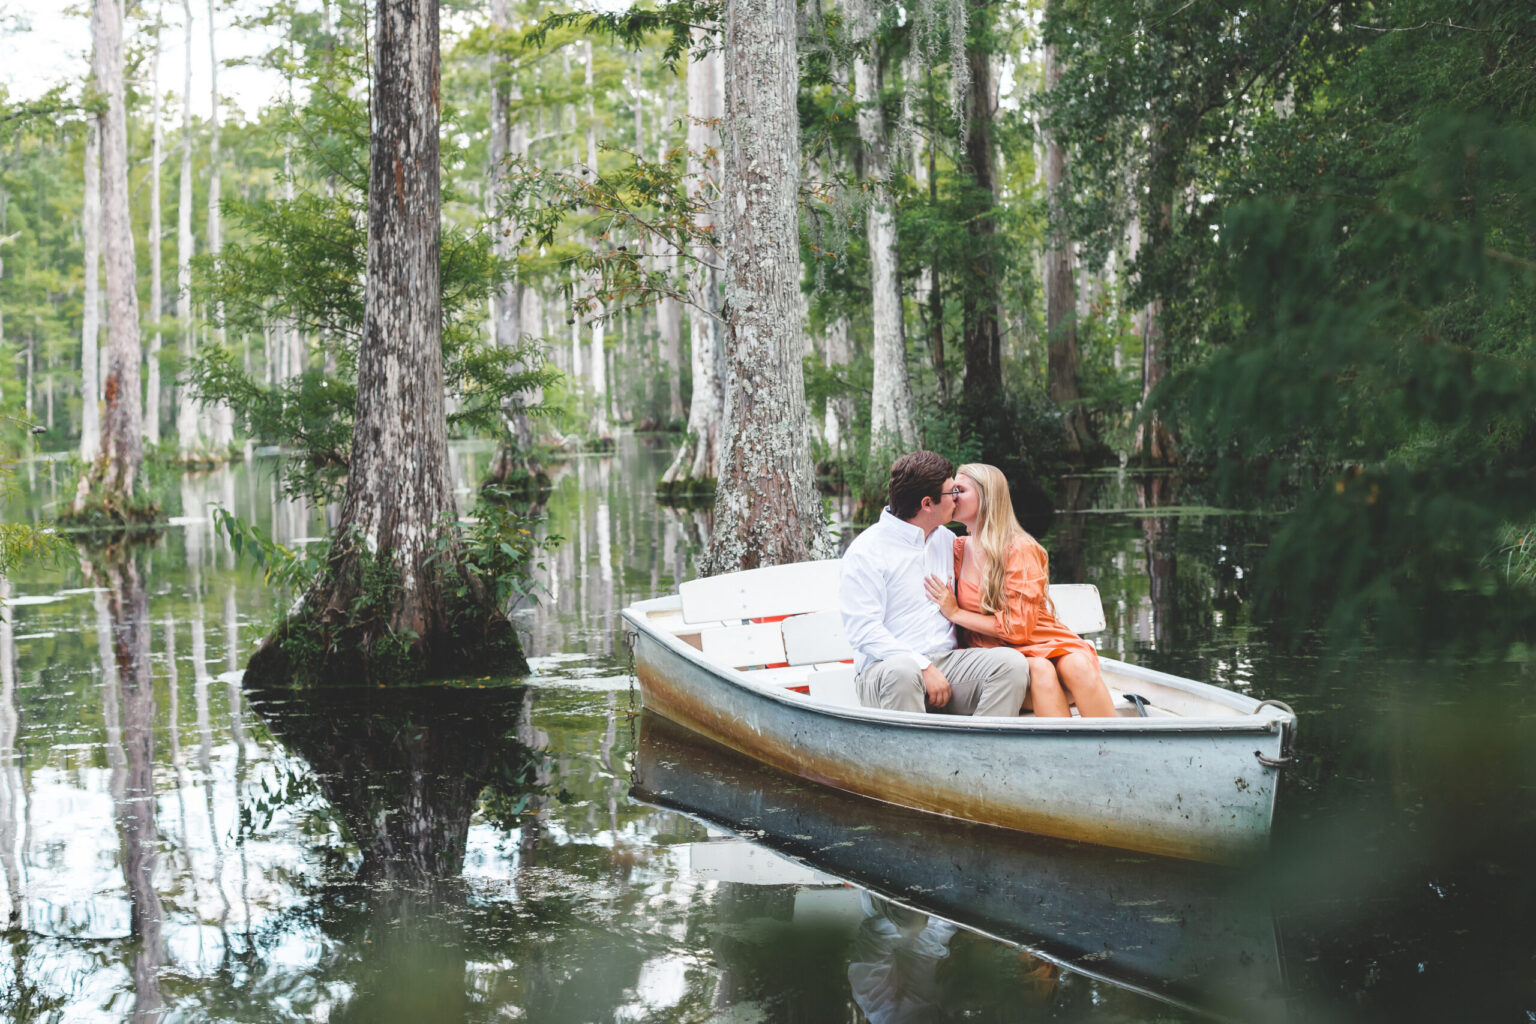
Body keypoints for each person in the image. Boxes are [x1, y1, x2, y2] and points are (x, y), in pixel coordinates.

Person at [839, 451, 1031, 716]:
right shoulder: (867, 551)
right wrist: (922, 667)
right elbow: (863, 631)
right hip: (885, 670)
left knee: (1011, 665)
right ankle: (910, 757)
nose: (957, 499)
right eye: (952, 492)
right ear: (927, 503)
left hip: (947, 664)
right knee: (903, 671)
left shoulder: (946, 541)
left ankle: (979, 752)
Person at [923, 462, 1116, 718]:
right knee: (1039, 669)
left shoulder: (1019, 548)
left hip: (1040, 640)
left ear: (987, 496)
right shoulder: (955, 549)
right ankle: (1062, 755)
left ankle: (1115, 750)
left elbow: (1018, 628)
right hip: (996, 656)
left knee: (1077, 665)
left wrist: (956, 613)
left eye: (960, 489)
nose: (952, 496)